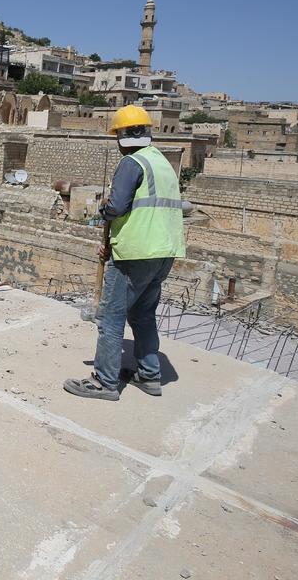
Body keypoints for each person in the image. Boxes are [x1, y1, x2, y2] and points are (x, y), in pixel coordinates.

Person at [64, 105, 186, 401]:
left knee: (111, 317)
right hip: (164, 251)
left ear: (122, 136)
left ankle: (104, 382)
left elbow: (117, 207)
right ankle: (149, 375)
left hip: (135, 253)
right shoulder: (161, 162)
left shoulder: (132, 163)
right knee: (142, 314)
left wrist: (104, 208)